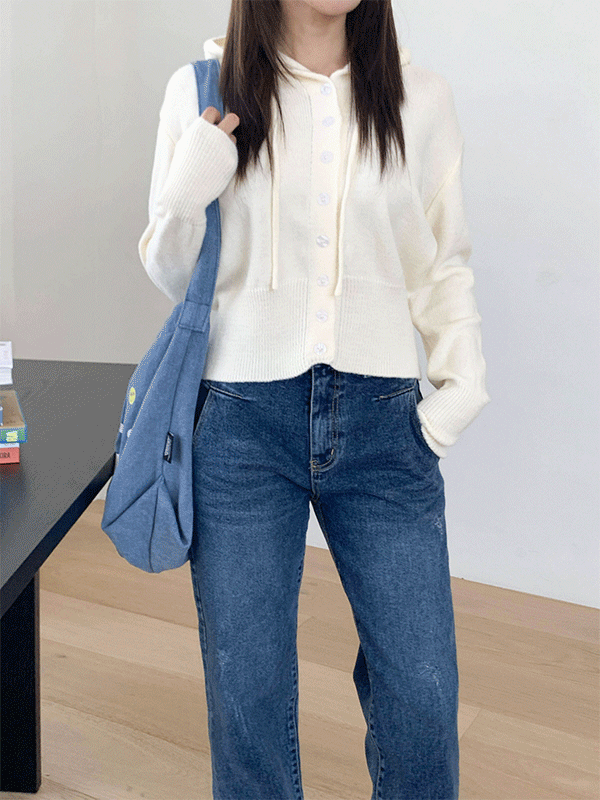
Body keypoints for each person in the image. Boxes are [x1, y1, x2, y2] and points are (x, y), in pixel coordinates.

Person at [138, 1, 491, 797]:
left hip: (384, 424)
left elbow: (442, 263)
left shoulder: (420, 98)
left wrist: (459, 391)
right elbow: (172, 273)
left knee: (422, 693)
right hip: (239, 424)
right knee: (249, 694)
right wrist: (190, 186)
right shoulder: (203, 89)